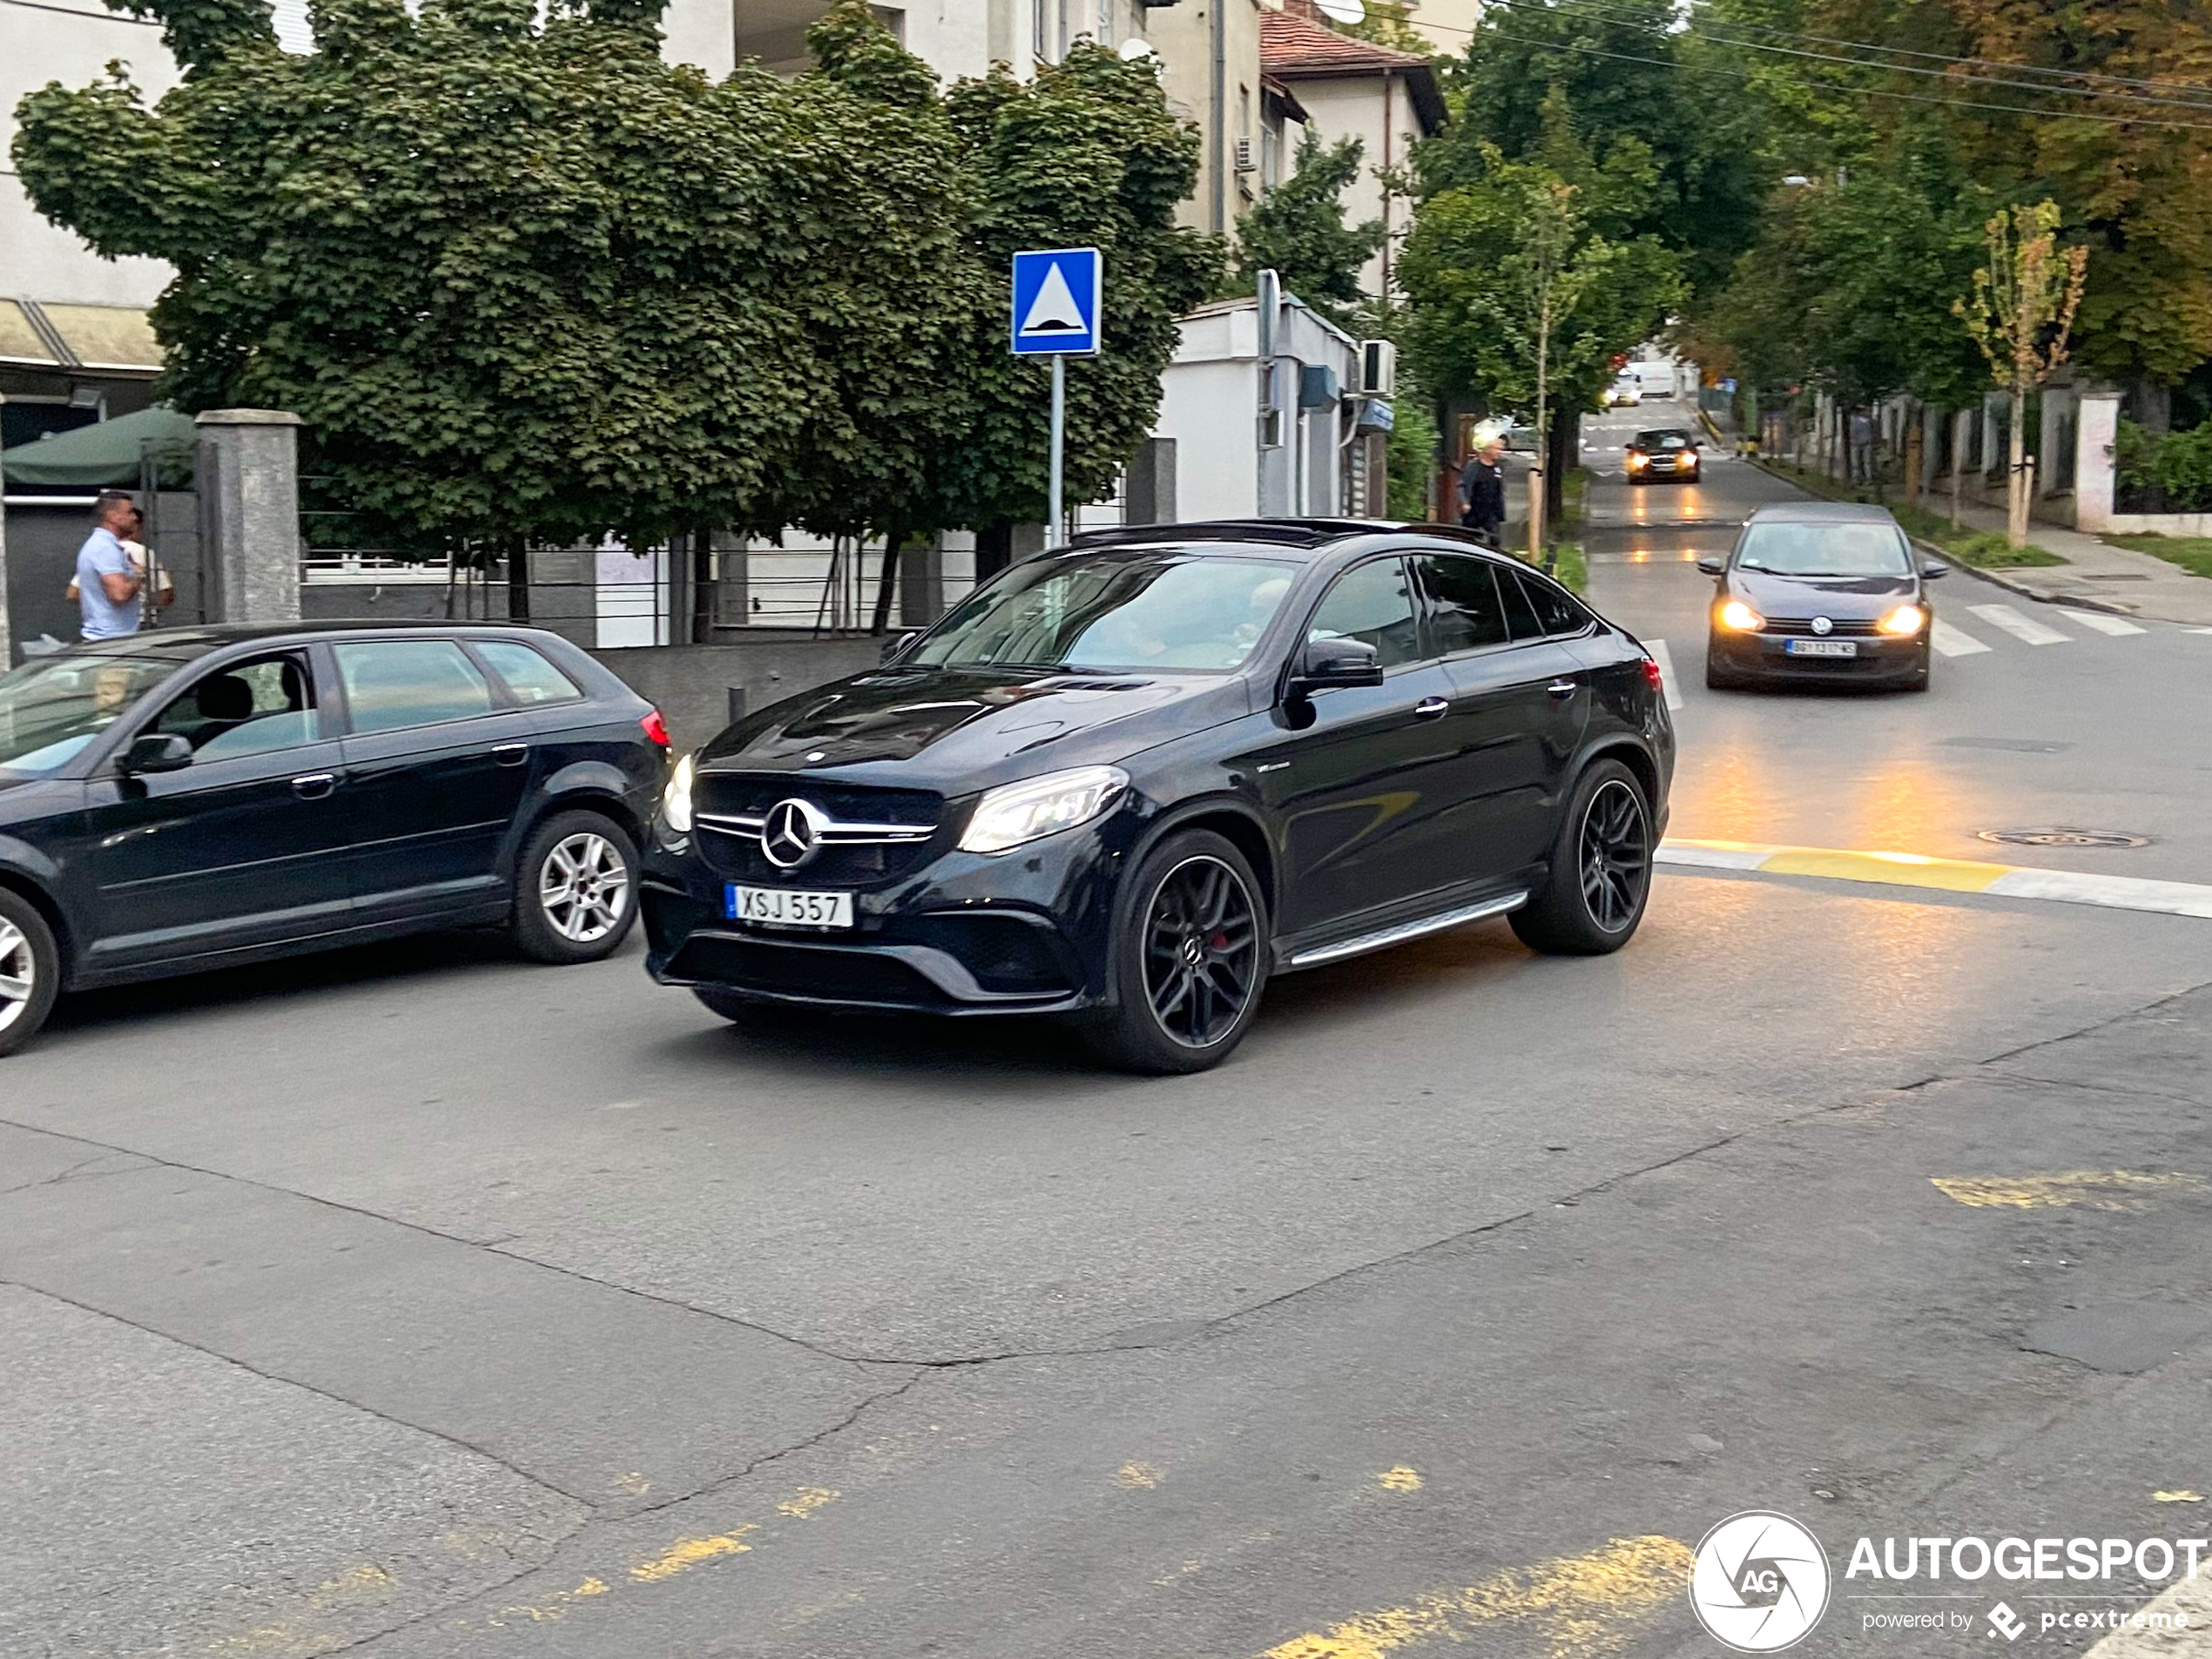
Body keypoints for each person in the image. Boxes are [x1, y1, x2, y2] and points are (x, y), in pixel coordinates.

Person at [71, 491, 151, 641]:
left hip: (110, 638)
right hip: (112, 641)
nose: (134, 517)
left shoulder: (103, 545)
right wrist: (138, 575)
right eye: (129, 512)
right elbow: (119, 595)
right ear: (111, 515)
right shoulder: (105, 548)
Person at [1458, 436, 1507, 548]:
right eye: (1497, 449)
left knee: (1495, 539)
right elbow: (1462, 485)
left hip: (1491, 512)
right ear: (1487, 449)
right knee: (1470, 540)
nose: (1500, 452)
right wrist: (1465, 502)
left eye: (1501, 449)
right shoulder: (1474, 467)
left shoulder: (1498, 468)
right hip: (1474, 511)